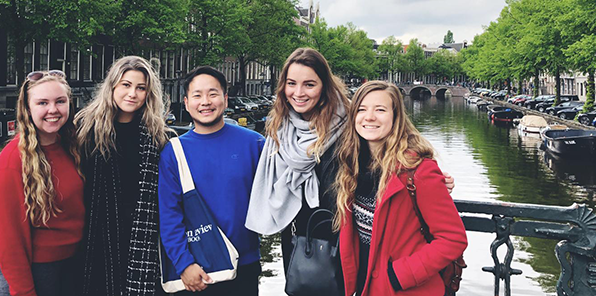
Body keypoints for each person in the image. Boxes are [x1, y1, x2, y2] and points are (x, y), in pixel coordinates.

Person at [245, 48, 455, 271]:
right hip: (299, 241)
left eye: (309, 84)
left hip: (342, 243)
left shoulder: (349, 122)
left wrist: (425, 175)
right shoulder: (280, 128)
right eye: (291, 83)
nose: (298, 92)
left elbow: (391, 148)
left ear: (324, 86)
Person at [335, 81, 467, 296]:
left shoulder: (418, 171)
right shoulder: (353, 167)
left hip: (403, 289)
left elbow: (453, 239)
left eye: (380, 110)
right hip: (365, 286)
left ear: (395, 117)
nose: (369, 117)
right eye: (361, 109)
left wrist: (399, 276)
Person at [158, 66, 264, 295]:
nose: (205, 101)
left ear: (225, 99)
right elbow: (169, 214)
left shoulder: (254, 144)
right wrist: (184, 264)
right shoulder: (173, 152)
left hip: (243, 265)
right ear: (186, 103)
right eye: (197, 95)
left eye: (213, 94)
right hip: (196, 270)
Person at [76, 56, 171, 296]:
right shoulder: (85, 130)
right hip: (93, 237)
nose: (133, 94)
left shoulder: (158, 137)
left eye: (141, 88)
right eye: (126, 85)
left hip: (140, 239)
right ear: (113, 87)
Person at [0, 70, 84, 296]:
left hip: (69, 262)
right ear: (28, 108)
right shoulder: (12, 161)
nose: (53, 110)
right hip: (34, 268)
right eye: (43, 102)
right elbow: (9, 239)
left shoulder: (70, 146)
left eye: (60, 101)